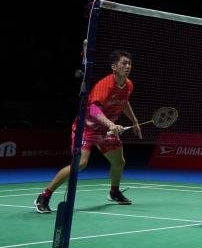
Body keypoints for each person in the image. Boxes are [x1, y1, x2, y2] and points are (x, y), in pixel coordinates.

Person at [35, 50, 142, 213]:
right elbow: (93, 109)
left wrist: (134, 121)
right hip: (86, 128)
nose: (128, 66)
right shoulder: (104, 85)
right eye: (124, 63)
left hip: (105, 129)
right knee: (80, 163)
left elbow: (124, 101)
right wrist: (111, 124)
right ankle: (44, 196)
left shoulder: (128, 85)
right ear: (114, 67)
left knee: (119, 162)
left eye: (129, 63)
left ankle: (114, 192)